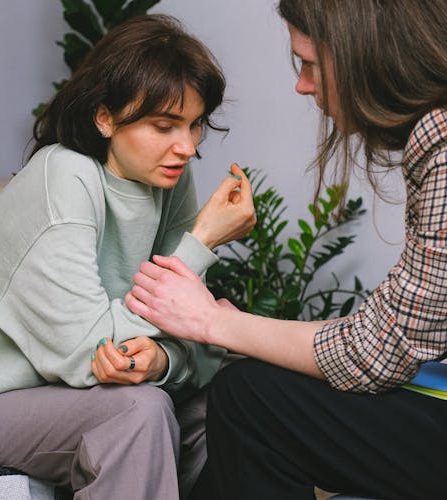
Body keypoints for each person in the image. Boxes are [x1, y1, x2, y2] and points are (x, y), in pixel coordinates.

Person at [0, 14, 256, 500]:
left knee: (245, 393)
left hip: (67, 397)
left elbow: (193, 328)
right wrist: (202, 242)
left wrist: (162, 360)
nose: (186, 147)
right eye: (165, 125)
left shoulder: (168, 179)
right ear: (105, 117)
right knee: (137, 413)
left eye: (194, 127)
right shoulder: (64, 178)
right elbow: (88, 356)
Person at [125, 1, 447, 498]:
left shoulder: (441, 140)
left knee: (247, 396)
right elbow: (393, 329)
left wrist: (213, 322)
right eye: (164, 127)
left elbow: (380, 351)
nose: (302, 84)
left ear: (366, 54)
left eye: (311, 64)